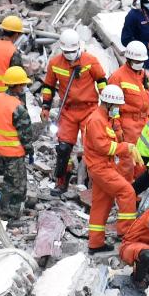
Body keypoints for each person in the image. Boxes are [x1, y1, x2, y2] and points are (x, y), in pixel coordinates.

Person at [41, 28, 108, 195]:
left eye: (72, 51)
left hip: (89, 110)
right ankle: (61, 182)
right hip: (68, 111)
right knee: (63, 149)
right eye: (66, 52)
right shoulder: (55, 63)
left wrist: (106, 105)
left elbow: (101, 81)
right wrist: (45, 107)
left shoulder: (90, 61)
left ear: (78, 47)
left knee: (93, 147)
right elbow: (48, 86)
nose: (69, 55)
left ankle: (95, 186)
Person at [82, 84, 139, 253]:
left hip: (103, 166)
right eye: (117, 106)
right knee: (127, 192)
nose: (119, 109)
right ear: (108, 104)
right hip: (101, 167)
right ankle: (126, 233)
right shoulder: (96, 120)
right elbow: (103, 146)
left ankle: (95, 243)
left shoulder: (105, 118)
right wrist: (126, 148)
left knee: (102, 204)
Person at [0, 66, 35, 219]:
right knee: (16, 186)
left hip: (0, 150)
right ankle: (10, 215)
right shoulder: (18, 107)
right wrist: (30, 151)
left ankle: (6, 210)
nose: (24, 87)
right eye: (22, 84)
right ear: (17, 85)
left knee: (7, 182)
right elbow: (25, 135)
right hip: (14, 153)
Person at [108, 41, 149, 144]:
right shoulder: (117, 77)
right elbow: (112, 108)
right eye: (137, 61)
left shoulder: (146, 77)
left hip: (145, 124)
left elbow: (147, 102)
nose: (139, 64)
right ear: (129, 59)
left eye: (141, 61)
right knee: (130, 158)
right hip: (128, 127)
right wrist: (117, 128)